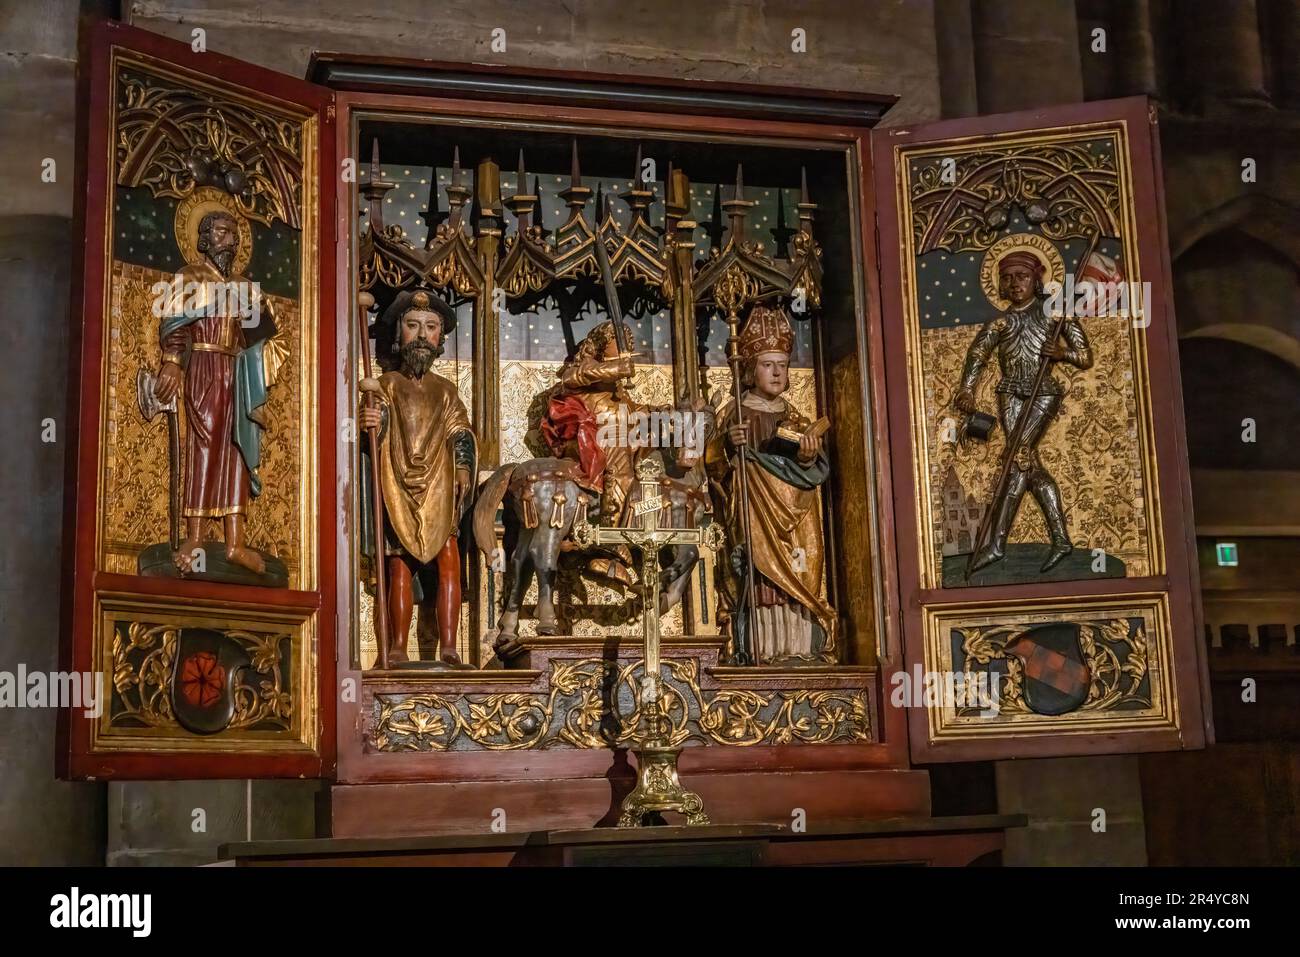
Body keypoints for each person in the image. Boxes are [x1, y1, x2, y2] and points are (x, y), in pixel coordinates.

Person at [153, 208, 287, 575]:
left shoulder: (243, 285)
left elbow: (262, 337)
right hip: (206, 368)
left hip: (238, 372)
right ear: (204, 239)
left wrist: (260, 312)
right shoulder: (190, 277)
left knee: (238, 454)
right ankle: (195, 536)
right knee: (205, 446)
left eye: (234, 234)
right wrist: (172, 362)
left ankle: (234, 544)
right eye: (223, 233)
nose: (231, 240)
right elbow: (175, 325)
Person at [706, 303, 836, 663]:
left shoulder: (795, 416)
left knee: (799, 570)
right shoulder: (735, 414)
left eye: (782, 365)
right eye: (767, 364)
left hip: (794, 517)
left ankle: (799, 646)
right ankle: (761, 648)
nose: (776, 372)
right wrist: (726, 445)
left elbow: (812, 472)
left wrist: (808, 455)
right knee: (759, 575)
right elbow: (712, 469)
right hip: (755, 512)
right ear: (750, 368)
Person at [954, 248, 1093, 573]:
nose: (1014, 283)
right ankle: (1059, 540)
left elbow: (1084, 356)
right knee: (1026, 467)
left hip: (1042, 393)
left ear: (1036, 280)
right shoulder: (1001, 322)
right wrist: (966, 388)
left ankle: (998, 545)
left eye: (1022, 276)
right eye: (1007, 278)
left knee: (1018, 457)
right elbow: (977, 354)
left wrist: (1061, 353)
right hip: (1010, 394)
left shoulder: (1054, 316)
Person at [359, 289, 476, 665]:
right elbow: (375, 433)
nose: (422, 335)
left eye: (431, 327)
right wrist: (372, 424)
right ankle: (396, 646)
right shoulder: (387, 385)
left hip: (440, 486)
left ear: (440, 338)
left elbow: (461, 431)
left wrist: (461, 466)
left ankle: (449, 645)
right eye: (413, 326)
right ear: (399, 333)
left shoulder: (446, 390)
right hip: (397, 484)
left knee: (448, 560)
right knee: (399, 565)